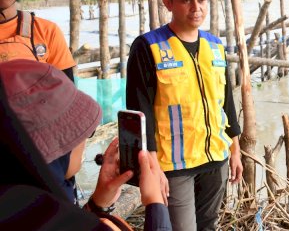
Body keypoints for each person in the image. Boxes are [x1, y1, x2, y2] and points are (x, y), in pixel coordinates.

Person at [126, 0, 243, 231]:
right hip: (173, 164)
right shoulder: (148, 47)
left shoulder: (215, 46)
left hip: (215, 157)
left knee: (209, 225)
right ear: (168, 3)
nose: (195, 7)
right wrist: (152, 166)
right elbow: (139, 112)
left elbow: (226, 102)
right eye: (185, 0)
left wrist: (234, 148)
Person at [0, 58, 171, 230]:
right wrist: (156, 205)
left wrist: (98, 204)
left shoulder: (27, 209)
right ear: (57, 150)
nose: (84, 140)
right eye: (81, 132)